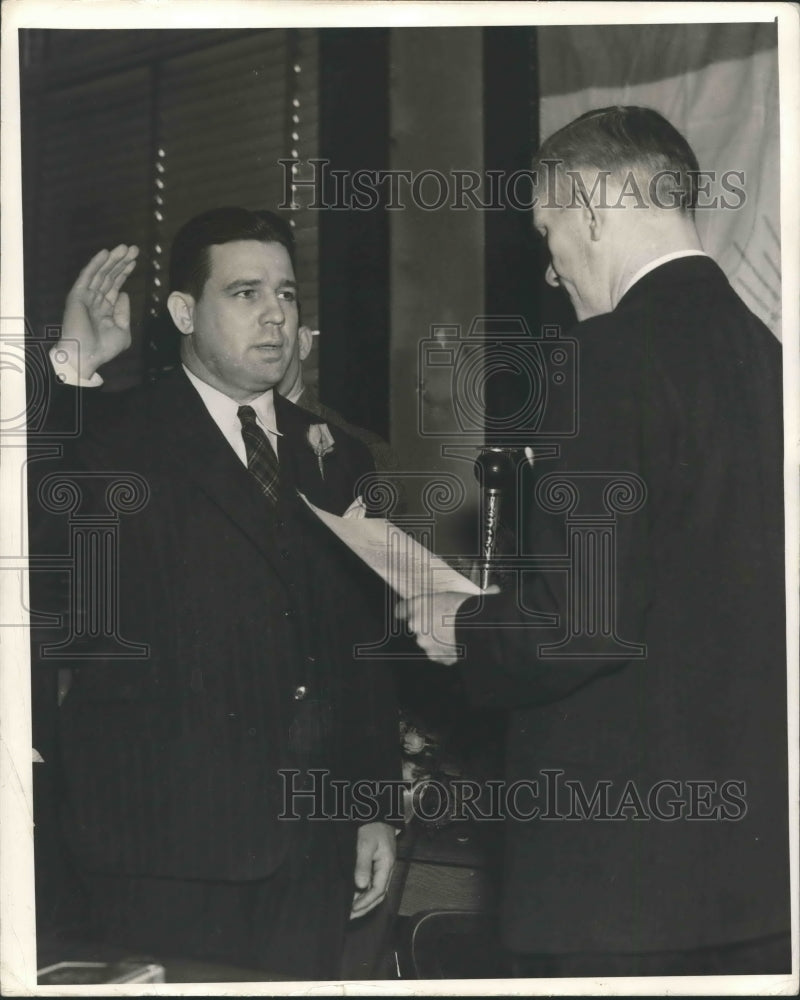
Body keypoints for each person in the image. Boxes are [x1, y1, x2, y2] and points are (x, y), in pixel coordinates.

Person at [398, 107, 791, 977]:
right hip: (759, 879)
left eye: (548, 230)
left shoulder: (605, 360)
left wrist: (460, 627)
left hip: (624, 884)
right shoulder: (769, 361)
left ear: (592, 209)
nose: (550, 268)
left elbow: (580, 620)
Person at [31, 207, 399, 979]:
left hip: (308, 848)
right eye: (244, 293)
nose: (275, 314)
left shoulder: (336, 456)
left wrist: (370, 807)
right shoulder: (118, 438)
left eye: (287, 294)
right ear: (183, 313)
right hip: (162, 848)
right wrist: (70, 366)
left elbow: (362, 653)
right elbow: (24, 522)